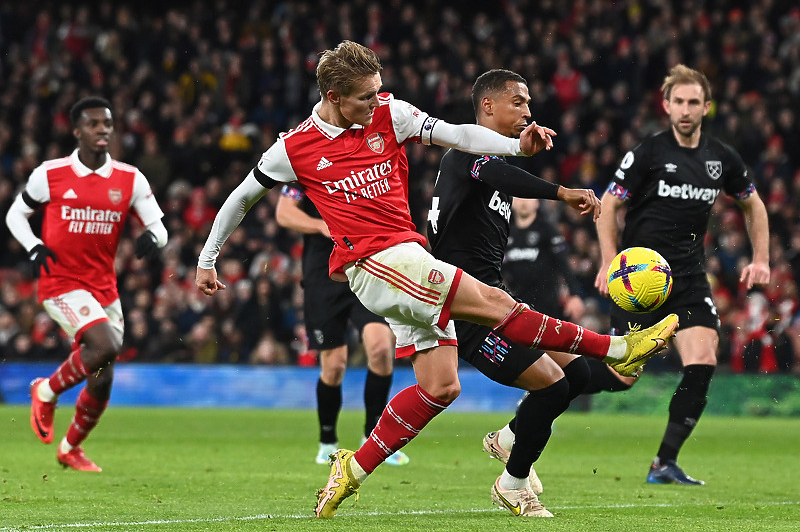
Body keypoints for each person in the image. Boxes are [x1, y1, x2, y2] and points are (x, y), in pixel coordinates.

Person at [193, 41, 677, 518]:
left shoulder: (391, 113)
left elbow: (460, 136)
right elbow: (241, 198)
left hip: (408, 258)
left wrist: (515, 146)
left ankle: (352, 469)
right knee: (493, 303)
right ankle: (616, 348)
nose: (376, 101)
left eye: (379, 90)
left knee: (441, 387)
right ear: (334, 96)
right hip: (373, 263)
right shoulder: (295, 148)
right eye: (366, 96)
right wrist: (208, 259)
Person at [425, 68, 609, 516]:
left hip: (494, 298)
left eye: (528, 103)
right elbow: (504, 178)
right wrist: (561, 191)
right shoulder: (467, 146)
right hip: (466, 308)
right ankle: (513, 483)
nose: (528, 111)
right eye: (518, 102)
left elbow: (500, 176)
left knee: (578, 375)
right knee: (551, 386)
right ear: (488, 105)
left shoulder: (487, 159)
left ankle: (508, 439)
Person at [591, 64, 770, 485]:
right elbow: (610, 205)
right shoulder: (647, 153)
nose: (686, 110)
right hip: (641, 282)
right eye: (679, 102)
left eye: (694, 102)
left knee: (704, 359)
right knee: (622, 377)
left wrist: (760, 257)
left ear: (706, 107)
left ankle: (663, 463)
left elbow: (754, 204)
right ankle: (550, 384)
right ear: (666, 105)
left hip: (687, 278)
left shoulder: (721, 158)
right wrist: (608, 261)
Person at [5, 96, 168, 471]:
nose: (102, 130)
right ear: (77, 131)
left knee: (102, 376)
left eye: (107, 124)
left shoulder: (129, 178)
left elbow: (158, 227)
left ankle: (70, 448)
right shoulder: (50, 174)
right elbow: (17, 213)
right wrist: (33, 247)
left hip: (103, 287)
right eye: (94, 124)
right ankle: (44, 391)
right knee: (106, 344)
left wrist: (153, 239)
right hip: (60, 281)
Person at [275, 183, 409, 466]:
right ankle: (327, 442)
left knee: (381, 349)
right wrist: (321, 225)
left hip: (366, 267)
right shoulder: (305, 166)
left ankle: (374, 438)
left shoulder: (367, 161)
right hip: (323, 276)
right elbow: (284, 213)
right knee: (334, 366)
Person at [502, 197, 586, 321]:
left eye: (529, 197)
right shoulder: (505, 233)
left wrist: (575, 294)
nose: (523, 201)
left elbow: (564, 264)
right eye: (519, 197)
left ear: (537, 203)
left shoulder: (548, 230)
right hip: (517, 304)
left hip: (548, 305)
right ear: (512, 202)